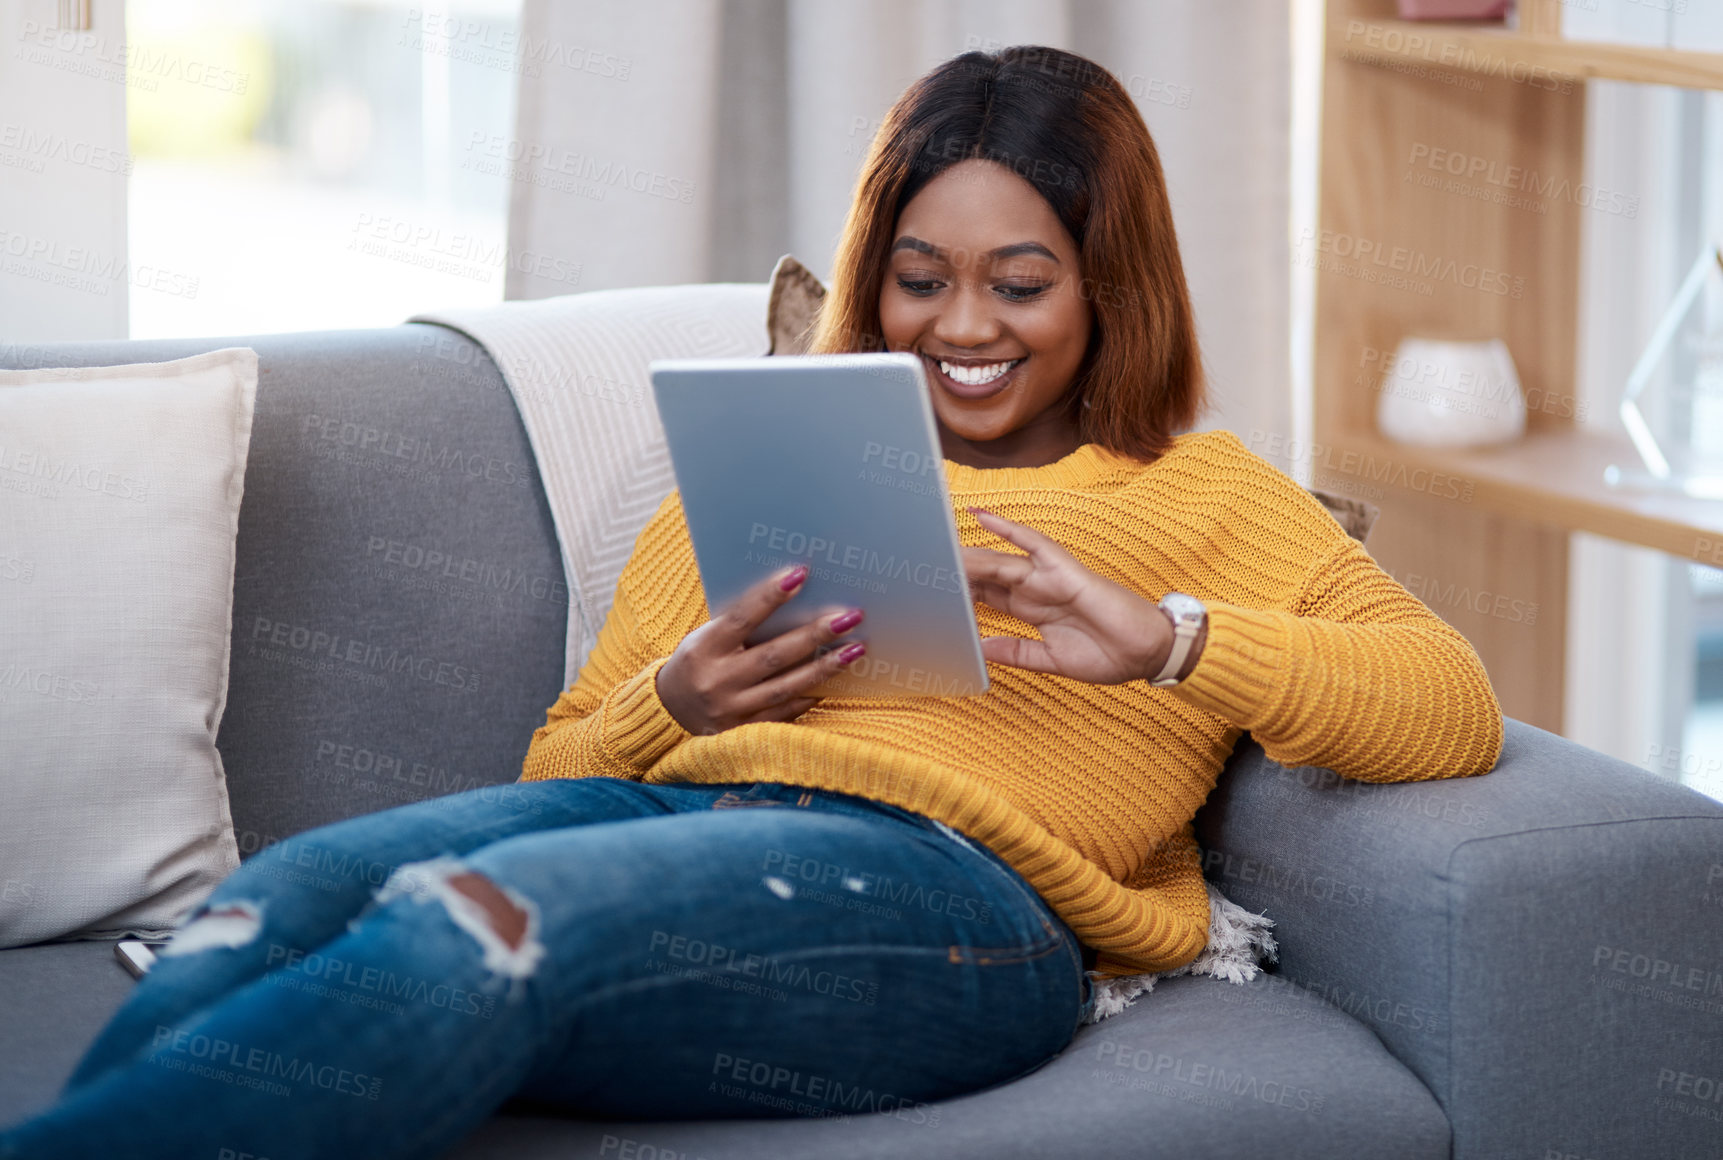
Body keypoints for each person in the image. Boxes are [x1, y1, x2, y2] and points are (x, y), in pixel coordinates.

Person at [0, 44, 1502, 1160]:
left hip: (966, 906)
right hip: (677, 823)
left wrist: (1169, 638)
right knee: (273, 901)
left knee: (477, 922)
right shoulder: (784, 459)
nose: (959, 328)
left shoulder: (1206, 497)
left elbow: (1452, 705)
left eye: (1019, 281)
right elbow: (559, 770)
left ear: (1110, 284)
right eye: (919, 278)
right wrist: (680, 702)